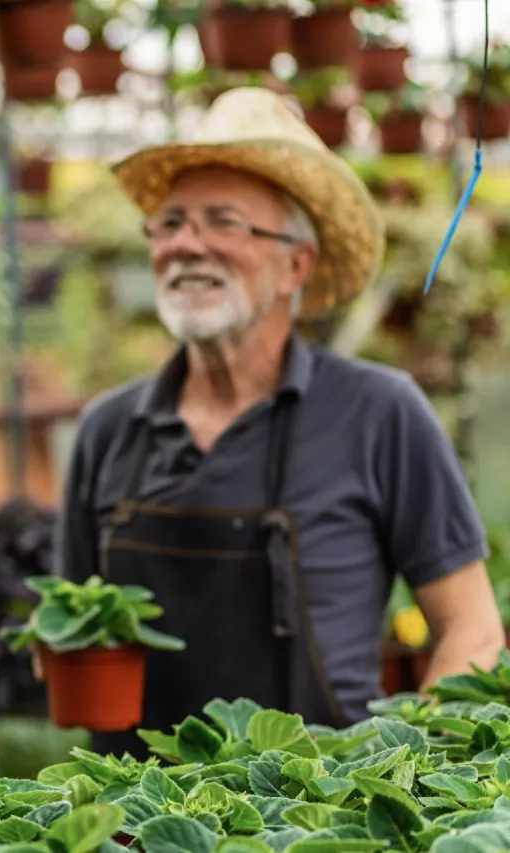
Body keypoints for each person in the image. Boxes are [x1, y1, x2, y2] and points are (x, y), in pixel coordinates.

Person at [45, 87, 505, 758]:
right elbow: (68, 638)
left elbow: (472, 628)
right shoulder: (108, 428)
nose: (186, 244)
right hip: (137, 820)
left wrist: (405, 773)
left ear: (297, 263)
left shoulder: (378, 411)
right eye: (169, 223)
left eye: (222, 222)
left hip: (315, 822)